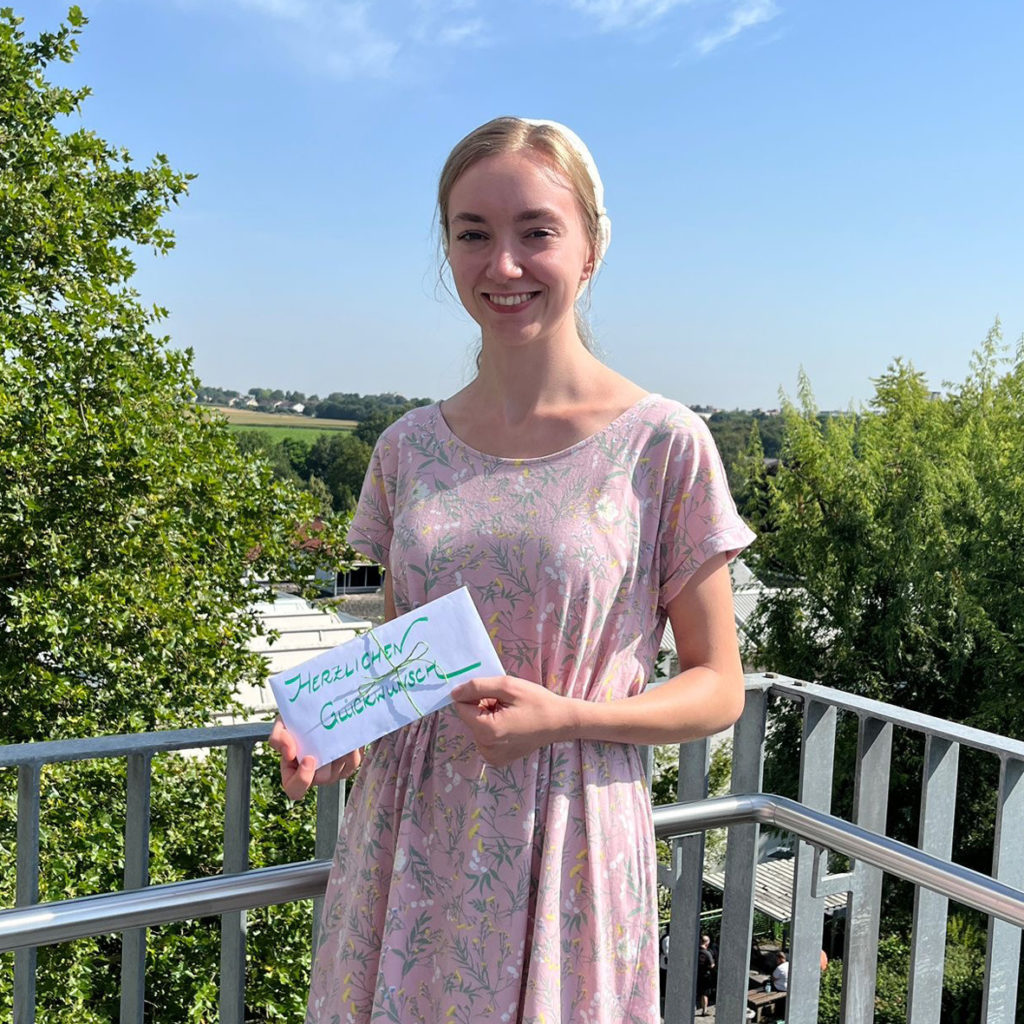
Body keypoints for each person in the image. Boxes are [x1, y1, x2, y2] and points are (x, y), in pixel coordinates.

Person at [270, 115, 755, 1024]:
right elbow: (400, 665)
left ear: (592, 246)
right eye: (474, 234)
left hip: (569, 837)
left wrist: (566, 717)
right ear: (446, 249)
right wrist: (331, 736)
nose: (504, 265)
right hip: (405, 849)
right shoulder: (407, 447)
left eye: (537, 231)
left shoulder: (662, 445)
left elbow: (718, 686)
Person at [697, 933, 716, 1015]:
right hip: (705, 975)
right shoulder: (707, 953)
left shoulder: (696, 951)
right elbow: (712, 965)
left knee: (700, 992)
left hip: (697, 973)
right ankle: (704, 1010)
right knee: (705, 993)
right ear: (707, 943)